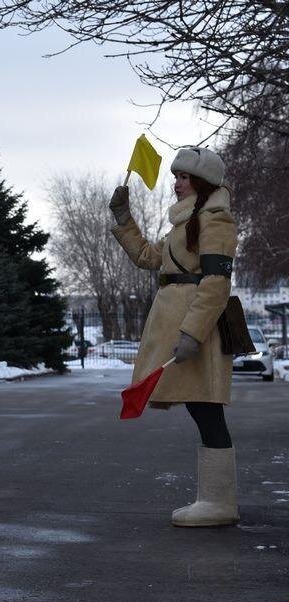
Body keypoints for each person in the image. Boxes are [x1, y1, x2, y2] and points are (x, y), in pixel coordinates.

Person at [110, 146, 239, 527]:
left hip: (195, 329)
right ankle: (215, 499)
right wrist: (123, 218)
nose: (176, 183)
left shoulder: (215, 220)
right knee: (201, 407)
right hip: (181, 326)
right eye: (176, 176)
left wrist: (192, 334)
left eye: (183, 177)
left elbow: (216, 282)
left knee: (205, 406)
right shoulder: (187, 221)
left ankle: (219, 502)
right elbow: (150, 257)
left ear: (202, 181)